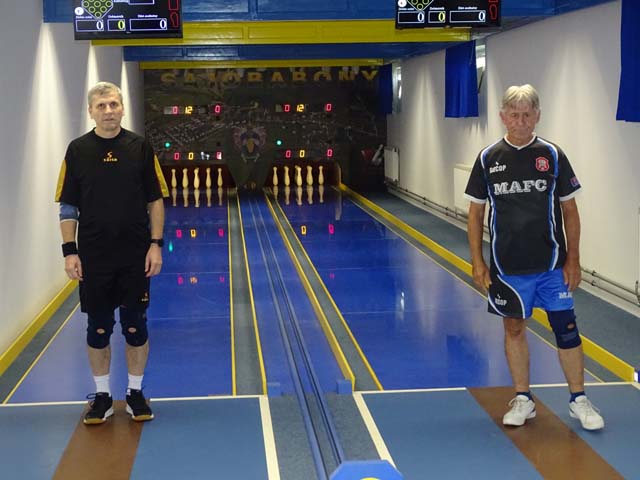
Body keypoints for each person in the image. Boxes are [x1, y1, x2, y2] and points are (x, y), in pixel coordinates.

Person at [464, 84, 604, 431]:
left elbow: (570, 210)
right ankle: (523, 399)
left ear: (537, 116)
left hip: (552, 265)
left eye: (527, 114)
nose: (521, 121)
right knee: (514, 328)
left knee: (566, 328)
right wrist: (478, 261)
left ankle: (579, 400)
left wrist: (573, 259)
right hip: (508, 267)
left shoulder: (552, 155)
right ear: (503, 117)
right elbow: (475, 214)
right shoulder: (488, 158)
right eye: (514, 114)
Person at [55, 81, 169, 425]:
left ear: (122, 108)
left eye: (114, 104)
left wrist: (156, 244)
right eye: (101, 105)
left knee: (135, 327)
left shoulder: (140, 147)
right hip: (94, 257)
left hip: (135, 255)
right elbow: (68, 206)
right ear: (91, 111)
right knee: (99, 328)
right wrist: (70, 252)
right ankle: (102, 396)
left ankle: (135, 393)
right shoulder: (77, 150)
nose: (108, 111)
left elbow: (155, 200)